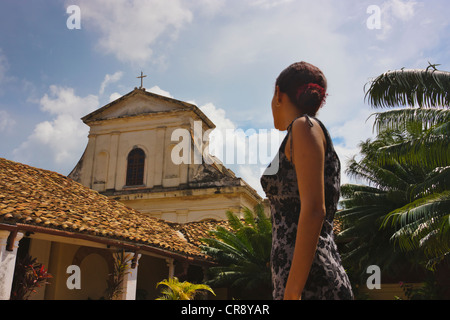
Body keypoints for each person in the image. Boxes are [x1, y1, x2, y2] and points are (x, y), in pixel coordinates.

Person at [260, 61, 354, 300]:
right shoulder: (304, 130)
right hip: (304, 279)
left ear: (278, 93)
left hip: (309, 284)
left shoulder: (304, 127)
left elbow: (314, 210)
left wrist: (291, 293)